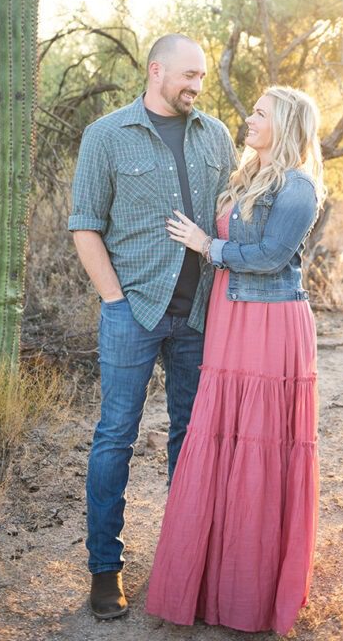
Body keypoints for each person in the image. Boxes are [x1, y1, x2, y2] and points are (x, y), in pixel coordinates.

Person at [69, 33, 238, 620]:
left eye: (202, 78)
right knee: (116, 434)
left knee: (191, 436)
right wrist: (113, 300)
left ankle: (182, 558)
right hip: (132, 311)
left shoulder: (216, 136)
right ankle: (104, 567)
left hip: (199, 317)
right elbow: (85, 226)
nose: (196, 86)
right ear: (156, 69)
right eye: (188, 74)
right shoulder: (106, 136)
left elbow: (230, 218)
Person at [145, 85, 323, 636]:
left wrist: (207, 246)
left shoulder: (299, 189)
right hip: (230, 317)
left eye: (261, 113)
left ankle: (250, 586)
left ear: (285, 125)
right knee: (222, 434)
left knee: (259, 440)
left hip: (270, 324)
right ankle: (210, 577)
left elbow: (271, 258)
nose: (250, 118)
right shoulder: (246, 175)